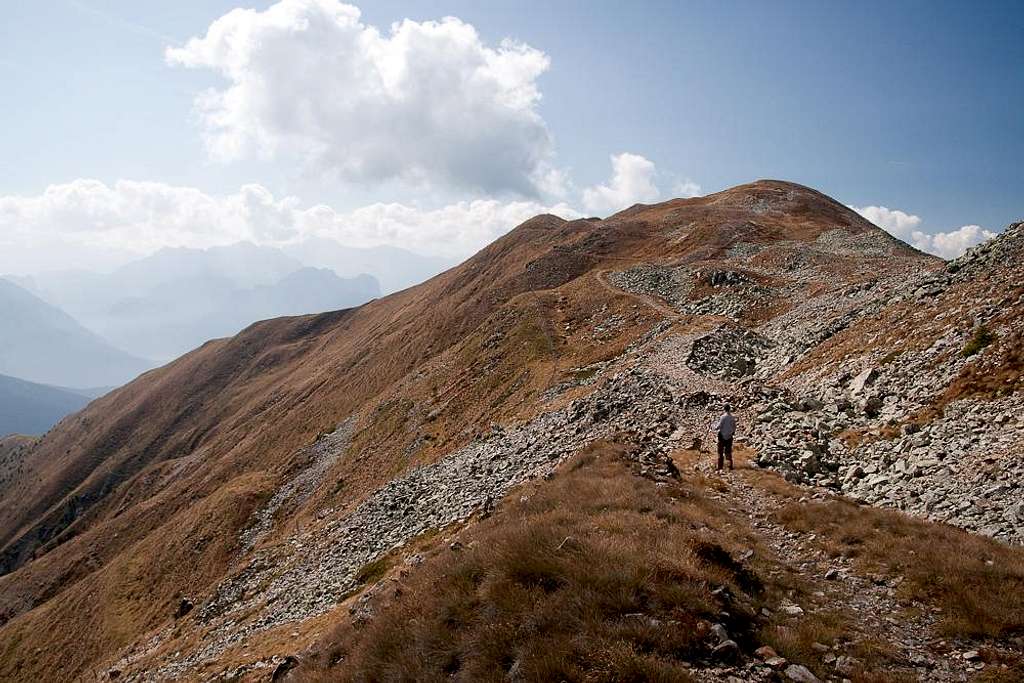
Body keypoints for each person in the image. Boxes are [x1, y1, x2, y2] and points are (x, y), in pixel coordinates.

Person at [714, 404, 736, 471]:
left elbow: (718, 426)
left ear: (724, 409)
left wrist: (714, 425)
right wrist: (732, 432)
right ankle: (730, 466)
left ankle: (720, 467)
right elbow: (734, 427)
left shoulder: (723, 417)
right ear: (729, 409)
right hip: (729, 437)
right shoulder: (732, 417)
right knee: (728, 452)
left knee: (720, 452)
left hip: (722, 437)